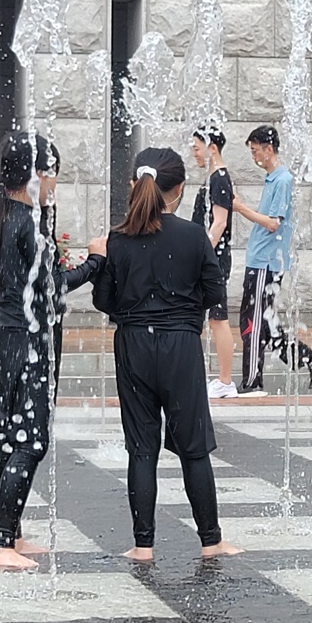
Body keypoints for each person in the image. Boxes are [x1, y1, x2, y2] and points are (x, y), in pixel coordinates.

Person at [92, 147, 243, 562]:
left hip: (133, 344)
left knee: (142, 447)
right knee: (193, 447)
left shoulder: (118, 238)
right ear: (176, 190)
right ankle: (210, 540)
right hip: (180, 345)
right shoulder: (193, 236)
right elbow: (214, 294)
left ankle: (143, 545)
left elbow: (104, 301)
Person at [0, 131, 107, 571]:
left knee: (9, 436)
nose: (54, 183)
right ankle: (0, 542)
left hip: (6, 336)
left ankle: (10, 533)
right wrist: (95, 263)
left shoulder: (3, 213)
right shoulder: (26, 222)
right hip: (29, 339)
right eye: (51, 174)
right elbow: (52, 290)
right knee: (31, 441)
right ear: (35, 175)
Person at [230, 125, 312, 397]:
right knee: (266, 323)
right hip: (261, 261)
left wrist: (241, 208)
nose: (253, 157)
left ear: (268, 149)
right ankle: (307, 357)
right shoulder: (273, 179)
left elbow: (273, 224)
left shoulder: (283, 181)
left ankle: (252, 381)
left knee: (253, 322)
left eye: (255, 151)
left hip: (266, 263)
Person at [189, 129, 238, 399]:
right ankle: (219, 378)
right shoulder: (214, 179)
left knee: (218, 319)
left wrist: (201, 254)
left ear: (212, 149)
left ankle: (225, 380)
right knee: (213, 318)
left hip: (213, 260)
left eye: (197, 148)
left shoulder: (219, 179)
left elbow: (219, 222)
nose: (194, 153)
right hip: (211, 258)